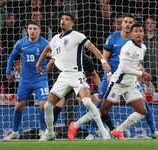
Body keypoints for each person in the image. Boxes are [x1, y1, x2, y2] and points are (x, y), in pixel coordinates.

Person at [85, 14, 158, 140]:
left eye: (130, 22)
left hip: (129, 78)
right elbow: (104, 58)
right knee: (100, 103)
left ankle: (153, 132)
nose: (127, 24)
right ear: (121, 24)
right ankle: (91, 133)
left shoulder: (139, 43)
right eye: (125, 22)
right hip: (112, 76)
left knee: (144, 104)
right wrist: (108, 74)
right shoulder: (113, 38)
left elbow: (138, 63)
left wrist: (137, 79)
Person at [36, 13, 111, 141]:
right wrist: (38, 63)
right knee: (48, 106)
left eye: (66, 19)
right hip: (63, 76)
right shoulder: (55, 39)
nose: (63, 21)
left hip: (77, 75)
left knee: (87, 101)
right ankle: (50, 133)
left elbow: (92, 48)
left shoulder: (77, 36)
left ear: (72, 24)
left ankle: (104, 131)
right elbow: (46, 49)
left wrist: (103, 61)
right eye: (62, 19)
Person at [3, 21, 49, 141]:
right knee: (19, 106)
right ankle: (15, 132)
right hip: (25, 79)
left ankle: (42, 131)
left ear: (39, 31)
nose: (32, 31)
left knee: (44, 106)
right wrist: (8, 71)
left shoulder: (45, 43)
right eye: (30, 28)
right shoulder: (21, 43)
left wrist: (50, 59)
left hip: (40, 79)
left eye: (35, 28)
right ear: (27, 30)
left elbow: (55, 56)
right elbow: (12, 56)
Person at [45, 54, 101, 125]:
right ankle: (48, 131)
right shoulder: (64, 56)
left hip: (79, 83)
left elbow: (94, 74)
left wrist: (100, 88)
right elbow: (52, 61)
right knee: (56, 108)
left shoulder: (86, 60)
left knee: (98, 107)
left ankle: (90, 131)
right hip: (66, 83)